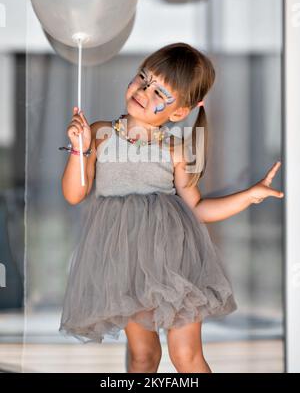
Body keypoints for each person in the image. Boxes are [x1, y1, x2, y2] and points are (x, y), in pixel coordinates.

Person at [58, 42, 284, 373]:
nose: (144, 91)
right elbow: (75, 194)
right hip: (126, 263)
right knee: (143, 356)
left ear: (179, 112)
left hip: (175, 261)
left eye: (159, 92)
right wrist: (79, 149)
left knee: (186, 356)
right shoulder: (100, 135)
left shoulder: (175, 149)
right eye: (143, 79)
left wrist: (248, 196)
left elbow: (199, 208)